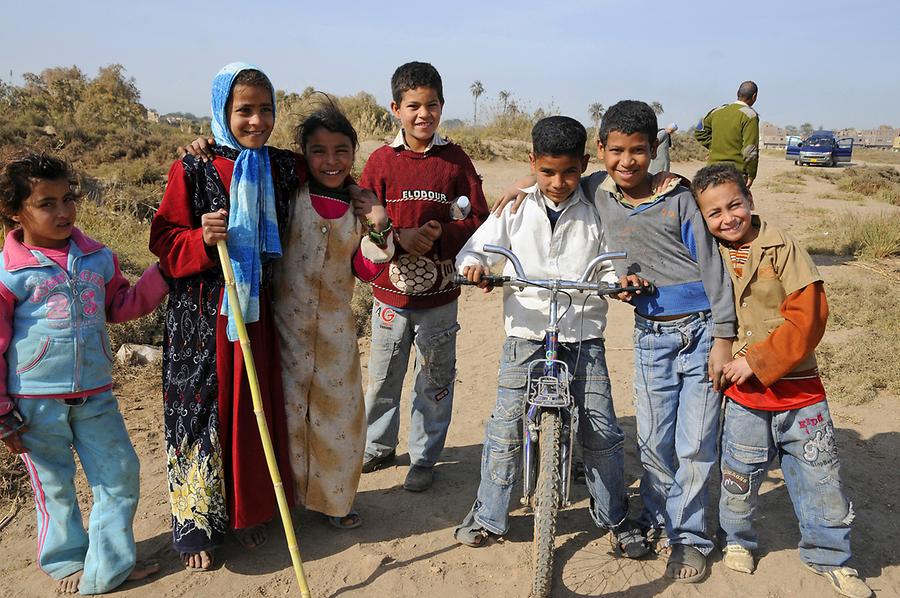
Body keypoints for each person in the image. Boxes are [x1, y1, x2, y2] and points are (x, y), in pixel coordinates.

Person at [493, 100, 736, 583]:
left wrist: (724, 337)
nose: (627, 161)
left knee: (695, 443)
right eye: (617, 151)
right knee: (652, 441)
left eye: (640, 151)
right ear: (600, 151)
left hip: (701, 330)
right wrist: (517, 188)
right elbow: (553, 179)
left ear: (655, 152)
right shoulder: (596, 188)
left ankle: (689, 538)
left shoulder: (678, 196)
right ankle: (651, 516)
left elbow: (713, 268)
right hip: (650, 336)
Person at [451, 116, 650, 557]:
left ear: (583, 164)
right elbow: (476, 249)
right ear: (532, 164)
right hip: (526, 330)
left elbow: (616, 258)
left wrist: (621, 279)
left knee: (600, 428)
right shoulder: (516, 206)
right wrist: (477, 268)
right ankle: (489, 514)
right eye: (546, 172)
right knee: (505, 424)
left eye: (568, 172)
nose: (558, 182)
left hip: (583, 334)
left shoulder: (600, 204)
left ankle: (615, 517)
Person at [692, 163, 873, 598]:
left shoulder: (783, 248)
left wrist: (756, 360)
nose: (727, 218)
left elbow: (809, 317)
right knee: (740, 474)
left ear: (750, 199)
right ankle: (738, 540)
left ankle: (830, 556)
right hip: (743, 397)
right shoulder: (708, 254)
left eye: (734, 205)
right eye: (714, 213)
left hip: (799, 392)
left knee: (820, 478)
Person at [149, 63, 302, 571]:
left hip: (255, 313)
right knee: (200, 415)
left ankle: (250, 511)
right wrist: (200, 238)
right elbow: (165, 239)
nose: (257, 121)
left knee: (251, 414)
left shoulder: (279, 167)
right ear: (221, 111)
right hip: (201, 320)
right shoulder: (192, 169)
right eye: (244, 111)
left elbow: (329, 169)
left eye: (266, 110)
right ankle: (197, 528)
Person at [0, 151, 166, 594]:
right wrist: (2, 413)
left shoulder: (97, 258)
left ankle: (109, 565)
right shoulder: (9, 272)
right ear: (15, 212)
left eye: (67, 198)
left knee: (120, 474)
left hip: (96, 395)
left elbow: (121, 306)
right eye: (46, 203)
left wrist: (164, 273)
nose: (63, 211)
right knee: (54, 487)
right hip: (33, 403)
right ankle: (66, 561)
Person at [356, 61, 489, 492]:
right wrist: (399, 237)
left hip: (440, 300)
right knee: (382, 378)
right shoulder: (381, 161)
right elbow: (360, 217)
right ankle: (377, 447)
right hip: (389, 297)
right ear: (395, 108)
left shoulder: (455, 161)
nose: (423, 114)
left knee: (434, 380)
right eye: (413, 105)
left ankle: (424, 457)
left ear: (442, 106)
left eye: (432, 105)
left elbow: (480, 220)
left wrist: (442, 235)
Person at [272, 101, 391, 529]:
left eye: (341, 150)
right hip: (282, 328)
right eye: (319, 151)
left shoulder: (360, 205)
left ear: (353, 153)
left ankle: (336, 502)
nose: (331, 160)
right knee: (282, 416)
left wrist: (379, 223)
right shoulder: (287, 196)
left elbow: (364, 268)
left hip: (336, 334)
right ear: (303, 153)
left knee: (340, 416)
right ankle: (279, 507)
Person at [694, 81, 760, 187]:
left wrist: (716, 146)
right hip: (735, 174)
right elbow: (750, 151)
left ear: (737, 93)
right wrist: (751, 174)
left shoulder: (717, 111)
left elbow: (699, 132)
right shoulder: (750, 116)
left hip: (711, 172)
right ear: (754, 96)